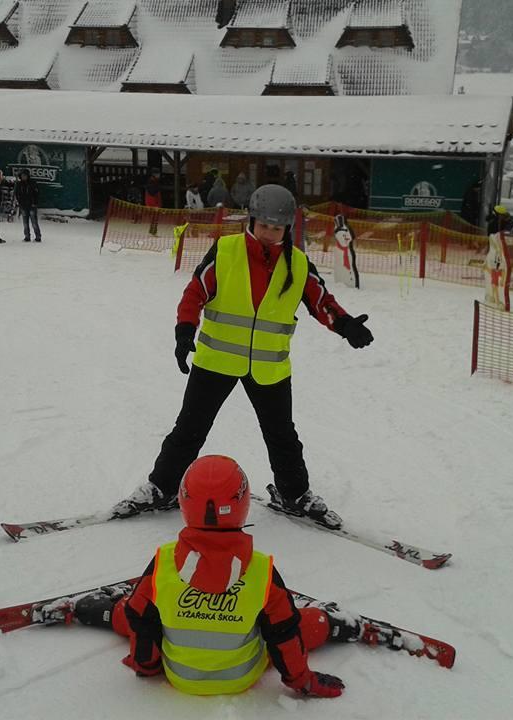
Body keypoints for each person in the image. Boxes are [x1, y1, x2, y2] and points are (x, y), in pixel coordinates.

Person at [111, 184, 374, 529]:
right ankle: (162, 487)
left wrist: (345, 325)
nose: (269, 234)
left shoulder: (297, 264)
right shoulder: (226, 250)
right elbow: (195, 292)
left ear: (287, 229)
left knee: (282, 436)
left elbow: (321, 301)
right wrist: (184, 331)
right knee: (189, 429)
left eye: (277, 228)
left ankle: (294, 494)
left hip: (269, 367)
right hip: (216, 361)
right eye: (264, 226)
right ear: (252, 221)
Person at [79, 455, 349, 698]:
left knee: (135, 609)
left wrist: (146, 666)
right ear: (242, 505)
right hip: (242, 677)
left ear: (185, 503)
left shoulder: (165, 562)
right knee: (298, 622)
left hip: (180, 677)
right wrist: (304, 681)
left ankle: (90, 611)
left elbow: (140, 620)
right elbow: (284, 635)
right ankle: (342, 624)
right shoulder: (260, 570)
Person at [14, 169, 41, 242]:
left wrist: (34, 203)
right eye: (22, 176)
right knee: (25, 223)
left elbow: (37, 194)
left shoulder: (33, 183)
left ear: (28, 176)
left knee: (34, 222)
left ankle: (38, 236)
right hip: (23, 206)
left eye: (25, 175)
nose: (23, 177)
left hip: (32, 206)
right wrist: (20, 202)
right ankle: (27, 236)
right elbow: (16, 194)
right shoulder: (19, 184)